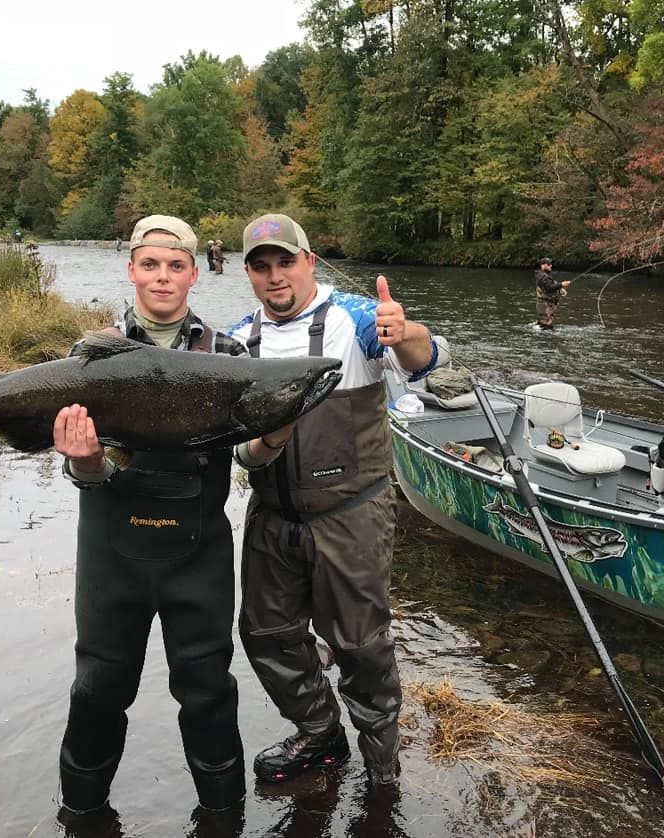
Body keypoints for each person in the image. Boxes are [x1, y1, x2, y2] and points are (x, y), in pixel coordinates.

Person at [51, 215, 288, 825]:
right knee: (99, 691)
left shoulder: (229, 355)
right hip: (112, 558)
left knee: (208, 691)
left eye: (175, 265)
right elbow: (83, 475)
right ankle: (81, 814)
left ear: (194, 274)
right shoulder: (88, 355)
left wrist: (276, 436)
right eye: (150, 264)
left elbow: (246, 455)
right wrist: (85, 460)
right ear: (131, 270)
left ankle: (222, 815)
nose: (163, 277)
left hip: (198, 555)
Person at [227, 212, 436, 789]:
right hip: (272, 518)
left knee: (360, 645)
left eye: (285, 262)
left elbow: (425, 358)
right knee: (266, 635)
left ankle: (382, 767)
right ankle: (320, 734)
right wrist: (264, 445)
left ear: (309, 262)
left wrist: (408, 332)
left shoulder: (360, 320)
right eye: (261, 266)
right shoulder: (236, 343)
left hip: (353, 515)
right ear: (248, 274)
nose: (275, 276)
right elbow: (240, 455)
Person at [535, 256, 571, 330]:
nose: (551, 265)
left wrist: (560, 288)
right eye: (548, 264)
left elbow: (551, 285)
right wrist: (562, 284)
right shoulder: (543, 276)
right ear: (543, 265)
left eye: (551, 264)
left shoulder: (543, 275)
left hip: (545, 305)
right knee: (547, 328)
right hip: (545, 306)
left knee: (544, 326)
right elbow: (549, 287)